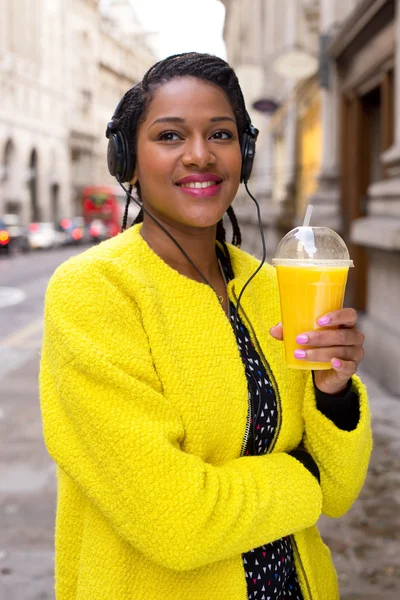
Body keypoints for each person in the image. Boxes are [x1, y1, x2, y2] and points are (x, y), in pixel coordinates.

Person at [39, 53, 372, 600]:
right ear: (128, 158)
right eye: (170, 136)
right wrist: (304, 477)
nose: (199, 155)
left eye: (220, 134)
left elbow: (340, 491)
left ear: (244, 152)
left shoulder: (272, 287)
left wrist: (332, 393)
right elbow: (176, 520)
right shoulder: (94, 292)